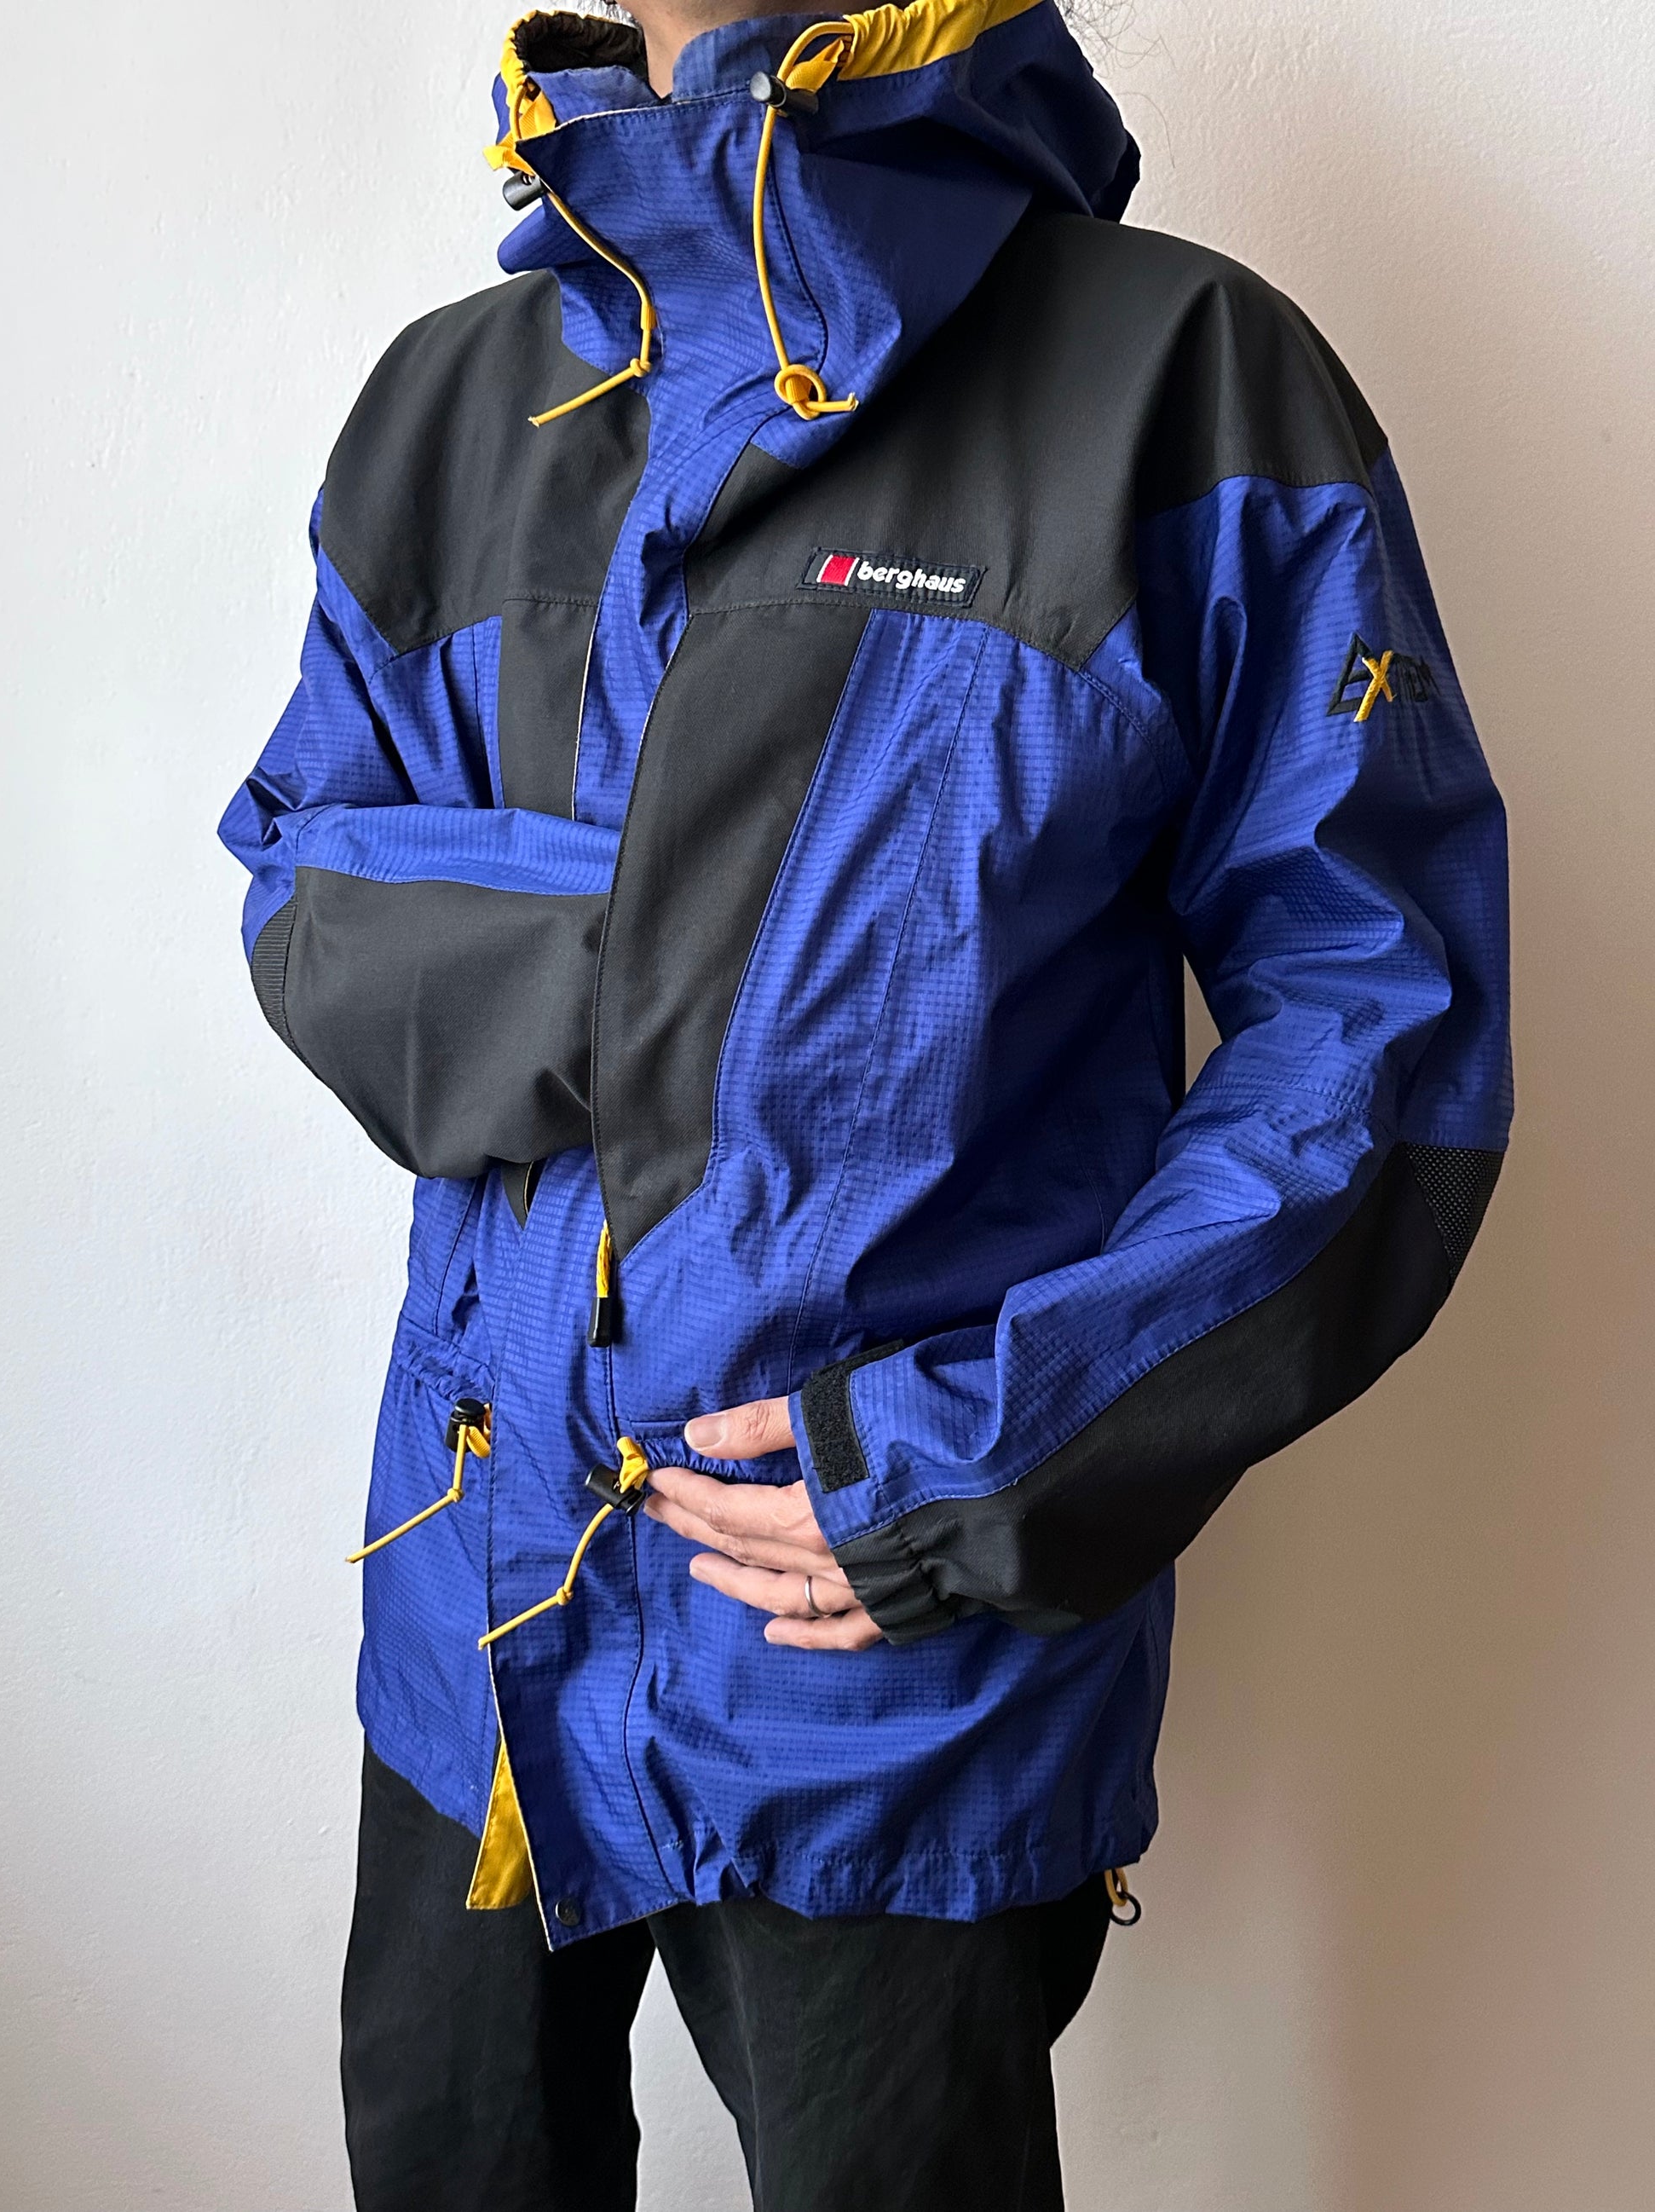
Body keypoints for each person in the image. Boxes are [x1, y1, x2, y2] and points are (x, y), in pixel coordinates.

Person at [220, 1, 1514, 2204]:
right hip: (476, 1604)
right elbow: (305, 895)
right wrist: (706, 948)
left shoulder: (1178, 375)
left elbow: (1381, 1026)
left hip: (887, 1638)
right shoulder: (452, 403)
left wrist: (994, 1449)